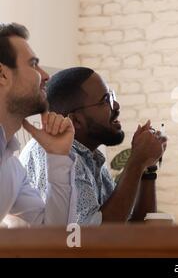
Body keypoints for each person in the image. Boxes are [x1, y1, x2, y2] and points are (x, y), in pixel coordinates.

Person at [20, 67, 167, 224]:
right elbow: (94, 238)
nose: (116, 106)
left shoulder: (90, 156)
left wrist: (147, 167)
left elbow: (135, 227)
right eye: (105, 100)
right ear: (76, 121)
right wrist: (136, 161)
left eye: (112, 96)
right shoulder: (52, 155)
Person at [0, 22, 77, 225]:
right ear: (2, 75)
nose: (45, 76)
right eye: (33, 64)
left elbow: (55, 236)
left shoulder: (11, 169)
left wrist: (58, 157)